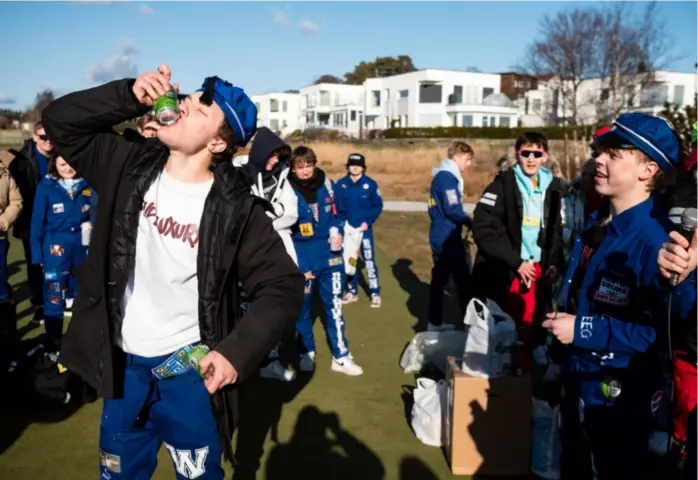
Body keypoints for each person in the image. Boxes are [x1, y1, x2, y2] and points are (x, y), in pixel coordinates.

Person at [41, 64, 304, 478]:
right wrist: (129, 95)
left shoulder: (238, 209)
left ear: (218, 142)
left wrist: (236, 352)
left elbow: (283, 285)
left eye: (200, 109)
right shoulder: (128, 164)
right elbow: (60, 122)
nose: (183, 105)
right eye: (190, 97)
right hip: (122, 371)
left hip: (189, 375)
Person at [544, 112, 693, 479]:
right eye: (601, 150)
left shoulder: (660, 242)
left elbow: (661, 335)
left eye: (615, 153)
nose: (599, 159)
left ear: (648, 170)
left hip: (621, 399)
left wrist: (583, 330)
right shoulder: (604, 226)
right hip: (584, 384)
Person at [472, 132, 565, 372]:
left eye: (537, 154)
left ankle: (527, 382)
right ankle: (505, 383)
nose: (531, 159)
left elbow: (556, 231)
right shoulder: (502, 184)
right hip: (509, 271)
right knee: (507, 332)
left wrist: (554, 263)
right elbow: (483, 229)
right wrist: (516, 262)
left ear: (545, 157)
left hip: (539, 271)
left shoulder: (555, 187)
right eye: (526, 153)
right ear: (518, 155)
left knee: (533, 327)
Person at [288, 146, 364, 376]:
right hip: (303, 259)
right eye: (299, 167)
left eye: (308, 165)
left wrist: (336, 231)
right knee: (303, 309)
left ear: (314, 164)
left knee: (334, 308)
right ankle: (306, 351)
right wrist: (296, 265)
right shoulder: (286, 189)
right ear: (292, 168)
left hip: (331, 257)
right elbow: (282, 228)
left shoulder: (329, 185)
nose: (305, 171)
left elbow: (339, 215)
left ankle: (340, 356)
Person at [239, 126, 299, 382]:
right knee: (243, 309)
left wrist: (260, 220)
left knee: (270, 307)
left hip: (275, 252)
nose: (274, 161)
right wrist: (267, 215)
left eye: (278, 157)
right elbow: (239, 211)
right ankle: (243, 360)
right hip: (243, 254)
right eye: (271, 155)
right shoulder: (239, 174)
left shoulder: (282, 179)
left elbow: (291, 212)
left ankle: (270, 360)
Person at [29, 156, 91, 352]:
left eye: (72, 163)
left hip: (82, 249)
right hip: (55, 250)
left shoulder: (88, 184)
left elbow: (94, 215)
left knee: (84, 296)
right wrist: (37, 255)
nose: (68, 168)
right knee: (54, 295)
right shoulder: (46, 186)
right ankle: (53, 343)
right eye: (62, 164)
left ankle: (81, 344)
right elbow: (37, 223)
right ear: (54, 165)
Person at [426, 140, 474, 331]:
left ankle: (434, 322)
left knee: (440, 278)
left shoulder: (442, 175)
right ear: (457, 156)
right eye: (468, 159)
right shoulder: (447, 178)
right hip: (446, 235)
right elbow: (452, 209)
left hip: (441, 232)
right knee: (463, 281)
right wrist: (471, 222)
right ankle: (472, 325)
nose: (468, 164)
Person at [8, 121, 53, 324]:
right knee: (35, 263)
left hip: (56, 222)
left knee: (58, 261)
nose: (48, 141)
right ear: (35, 138)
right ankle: (40, 304)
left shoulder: (62, 156)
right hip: (31, 224)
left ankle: (59, 299)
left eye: (51, 136)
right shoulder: (20, 162)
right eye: (43, 137)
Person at [336, 153, 384, 308]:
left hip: (364, 231)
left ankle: (375, 293)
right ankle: (352, 291)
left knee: (369, 261)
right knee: (350, 261)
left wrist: (367, 222)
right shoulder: (341, 184)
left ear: (363, 167)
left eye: (358, 165)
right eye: (352, 164)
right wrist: (342, 225)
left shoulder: (370, 184)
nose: (355, 167)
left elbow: (377, 206)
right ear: (348, 166)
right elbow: (337, 208)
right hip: (348, 231)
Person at [0, 159, 22, 320]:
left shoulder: (4, 172)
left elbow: (16, 201)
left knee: (0, 282)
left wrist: (4, 220)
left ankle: (5, 328)